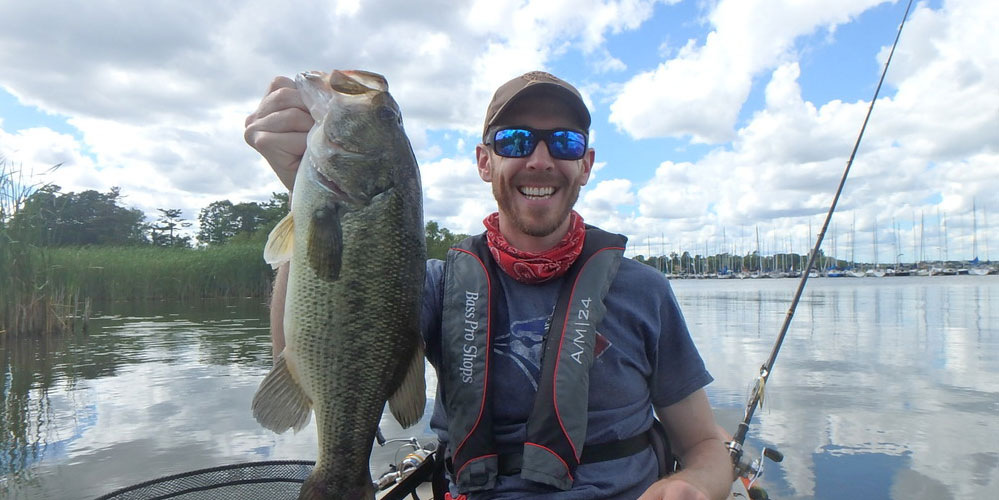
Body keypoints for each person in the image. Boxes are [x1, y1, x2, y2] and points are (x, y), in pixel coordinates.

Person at [245, 70, 734, 500]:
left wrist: (694, 484)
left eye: (563, 142)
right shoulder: (432, 285)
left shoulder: (644, 290)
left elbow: (705, 446)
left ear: (584, 164)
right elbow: (310, 341)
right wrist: (306, 207)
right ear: (485, 162)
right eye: (516, 140)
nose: (540, 159)